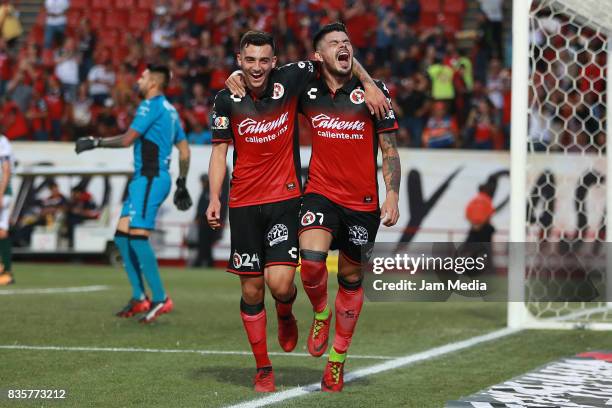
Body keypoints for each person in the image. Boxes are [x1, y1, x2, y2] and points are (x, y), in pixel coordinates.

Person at [210, 30, 388, 392]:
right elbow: (218, 152)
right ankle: (263, 369)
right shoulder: (225, 97)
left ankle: (289, 312)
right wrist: (214, 198)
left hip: (286, 199)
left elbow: (338, 58)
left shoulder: (290, 80)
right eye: (249, 60)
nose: (257, 67)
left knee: (281, 284)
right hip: (243, 203)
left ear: (275, 62)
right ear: (239, 62)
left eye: (264, 60)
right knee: (250, 292)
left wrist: (369, 84)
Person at [297, 22, 400, 392]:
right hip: (321, 192)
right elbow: (262, 76)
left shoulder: (374, 94)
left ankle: (337, 361)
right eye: (334, 44)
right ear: (318, 55)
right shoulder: (306, 90)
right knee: (310, 264)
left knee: (351, 279)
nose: (344, 47)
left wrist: (392, 193)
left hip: (363, 203)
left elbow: (389, 150)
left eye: (347, 42)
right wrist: (235, 76)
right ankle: (321, 313)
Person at [75, 64, 193, 323]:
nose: (138, 80)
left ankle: (160, 298)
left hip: (149, 178)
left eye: (142, 76)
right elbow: (184, 151)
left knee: (138, 236)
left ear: (153, 82)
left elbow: (128, 139)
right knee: (122, 237)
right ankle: (140, 297)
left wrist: (95, 142)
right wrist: (182, 182)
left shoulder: (150, 106)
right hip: (148, 179)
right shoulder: (172, 111)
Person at [0, 132, 14, 285]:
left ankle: (7, 271)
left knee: (2, 230)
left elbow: (6, 169)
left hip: (3, 191)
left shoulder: (2, 141)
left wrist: (1, 193)